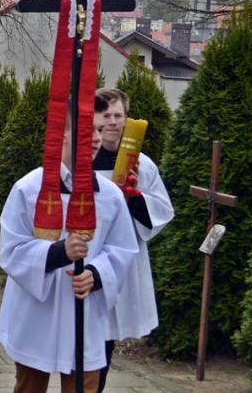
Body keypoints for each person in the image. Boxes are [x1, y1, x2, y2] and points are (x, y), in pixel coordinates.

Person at [0, 96, 138, 393]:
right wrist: (59, 252)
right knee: (29, 387)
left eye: (100, 130)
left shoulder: (109, 195)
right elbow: (11, 250)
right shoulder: (29, 188)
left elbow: (122, 248)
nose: (97, 138)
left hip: (85, 314)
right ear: (62, 133)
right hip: (38, 314)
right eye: (88, 130)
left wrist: (96, 274)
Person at [92, 88, 175, 392]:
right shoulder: (82, 158)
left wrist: (134, 198)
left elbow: (162, 208)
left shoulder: (140, 164)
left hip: (121, 259)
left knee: (105, 337)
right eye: (106, 115)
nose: (113, 122)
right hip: (86, 254)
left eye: (119, 115)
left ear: (127, 119)